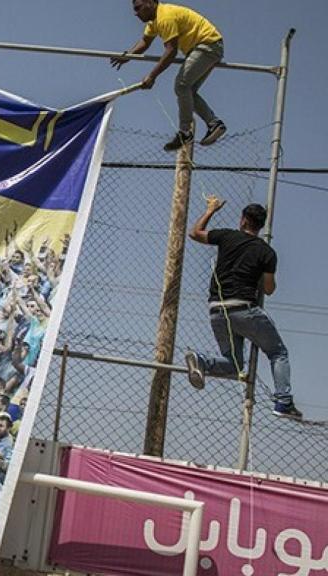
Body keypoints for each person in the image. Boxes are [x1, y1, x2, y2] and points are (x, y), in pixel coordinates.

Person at [186, 198, 302, 419]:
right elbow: (269, 289)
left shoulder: (226, 236)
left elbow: (195, 233)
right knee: (278, 352)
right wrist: (261, 274)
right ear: (261, 225)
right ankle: (283, 402)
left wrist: (210, 210)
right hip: (244, 311)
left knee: (235, 366)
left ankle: (202, 361)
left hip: (217, 311)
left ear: (243, 220)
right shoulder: (266, 252)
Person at [111, 0, 227, 151]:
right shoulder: (154, 22)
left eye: (138, 8)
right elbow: (145, 42)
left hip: (207, 45)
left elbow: (171, 51)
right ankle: (214, 124)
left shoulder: (165, 17)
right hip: (205, 47)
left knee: (181, 86)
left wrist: (152, 76)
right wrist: (127, 56)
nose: (136, 13)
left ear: (151, 3)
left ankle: (185, 132)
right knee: (188, 91)